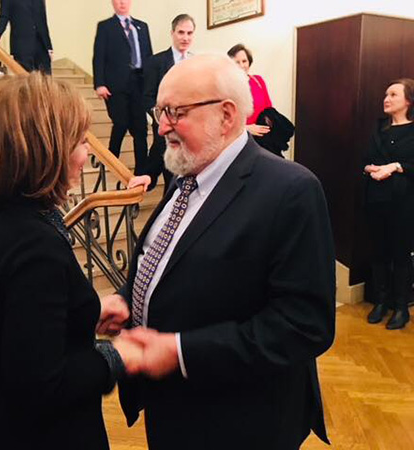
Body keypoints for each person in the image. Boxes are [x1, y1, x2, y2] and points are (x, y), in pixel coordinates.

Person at [99, 54, 336, 450]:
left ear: (226, 115)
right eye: (159, 112)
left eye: (175, 113)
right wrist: (129, 299)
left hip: (241, 422)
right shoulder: (186, 174)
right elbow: (170, 261)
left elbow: (304, 325)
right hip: (173, 408)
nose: (161, 127)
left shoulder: (291, 190)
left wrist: (180, 352)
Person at [0, 73, 149, 450]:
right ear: (44, 150)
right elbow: (43, 385)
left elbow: (18, 329)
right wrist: (121, 354)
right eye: (80, 141)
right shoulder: (35, 244)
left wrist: (90, 310)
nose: (87, 154)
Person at [363, 78, 414, 330]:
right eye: (386, 94)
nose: (386, 99)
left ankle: (401, 308)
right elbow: (366, 159)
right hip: (376, 199)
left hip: (404, 202)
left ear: (409, 100)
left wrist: (395, 166)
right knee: (378, 251)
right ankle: (381, 302)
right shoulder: (379, 127)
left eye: (393, 94)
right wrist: (369, 168)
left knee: (400, 253)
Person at [93, 0, 153, 174]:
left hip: (139, 83)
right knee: (121, 123)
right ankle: (110, 160)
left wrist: (151, 84)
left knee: (141, 129)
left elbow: (148, 56)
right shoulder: (105, 27)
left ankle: (141, 172)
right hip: (116, 85)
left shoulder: (142, 26)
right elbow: (99, 57)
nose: (122, 2)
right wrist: (99, 84)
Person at [143, 14, 195, 193]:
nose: (185, 37)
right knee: (169, 180)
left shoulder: (196, 63)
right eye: (181, 32)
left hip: (190, 129)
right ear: (172, 33)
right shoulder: (155, 62)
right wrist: (161, 119)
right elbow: (148, 97)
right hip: (165, 127)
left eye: (189, 33)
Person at [0, 0, 53, 74]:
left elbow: (43, 21)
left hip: (41, 46)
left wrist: (49, 47)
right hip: (22, 46)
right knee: (24, 78)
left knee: (46, 78)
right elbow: (4, 16)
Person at [227, 43, 272, 137]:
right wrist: (246, 129)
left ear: (249, 62)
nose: (241, 65)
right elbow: (223, 120)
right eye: (237, 62)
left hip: (263, 138)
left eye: (244, 61)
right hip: (240, 138)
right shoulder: (227, 87)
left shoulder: (258, 80)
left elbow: (269, 108)